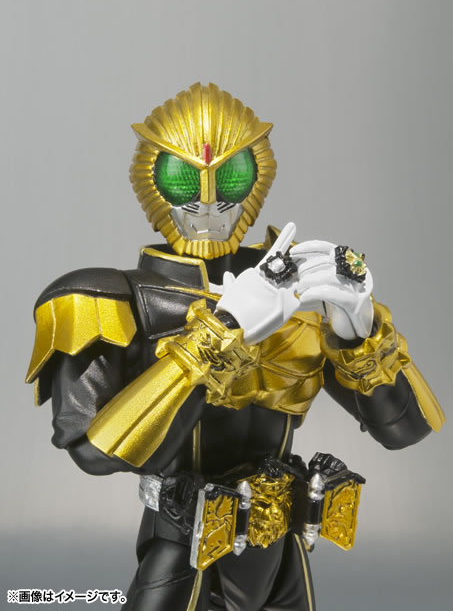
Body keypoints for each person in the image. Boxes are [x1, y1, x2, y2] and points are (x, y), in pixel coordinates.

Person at [26, 83, 444, 611]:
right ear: (151, 178)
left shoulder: (295, 292)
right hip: (185, 548)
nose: (207, 200)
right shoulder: (105, 299)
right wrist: (222, 331)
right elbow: (92, 450)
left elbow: (406, 430)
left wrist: (357, 330)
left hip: (283, 552)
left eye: (230, 177)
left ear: (256, 174)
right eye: (183, 178)